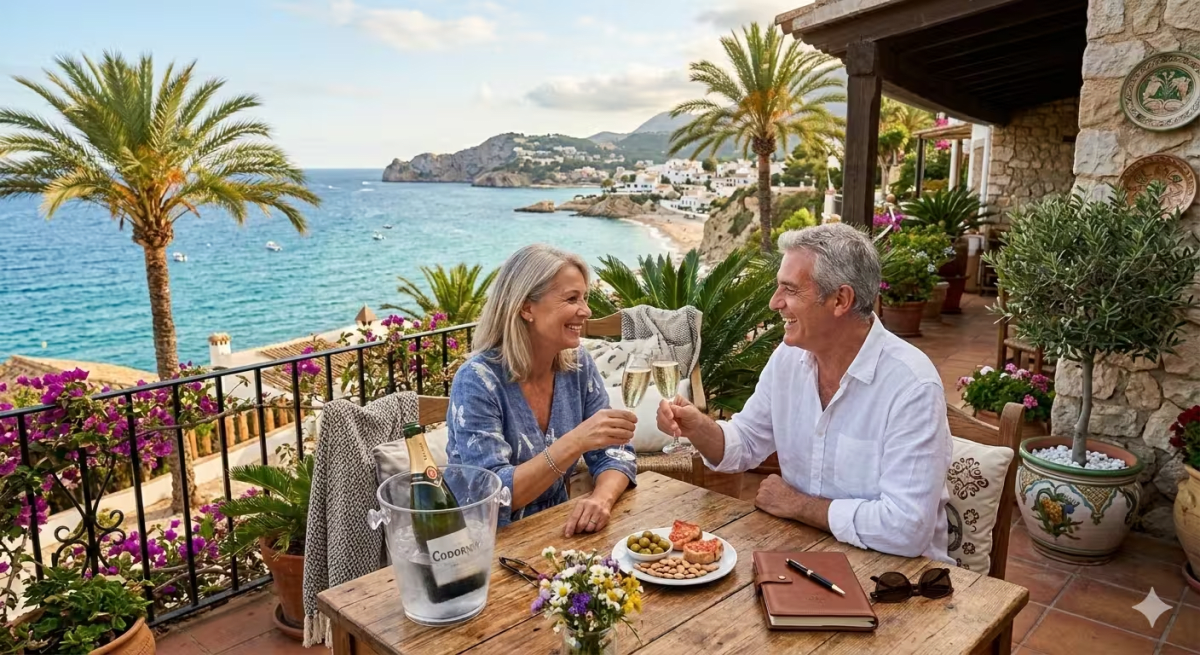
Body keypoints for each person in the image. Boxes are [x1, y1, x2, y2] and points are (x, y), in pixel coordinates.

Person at [657, 223, 953, 562]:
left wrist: (798, 506)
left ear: (840, 300)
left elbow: (906, 530)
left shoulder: (911, 386)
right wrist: (697, 427)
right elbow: (747, 442)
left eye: (790, 290)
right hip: (800, 555)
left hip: (899, 578)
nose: (774, 303)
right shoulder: (789, 357)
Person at [446, 243, 637, 537]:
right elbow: (494, 496)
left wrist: (601, 499)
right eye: (572, 298)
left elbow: (615, 451)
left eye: (584, 298)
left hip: (556, 531)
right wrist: (575, 442)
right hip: (482, 545)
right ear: (526, 307)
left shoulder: (577, 365)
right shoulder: (477, 381)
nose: (585, 311)